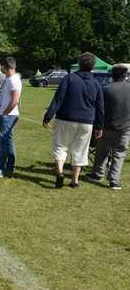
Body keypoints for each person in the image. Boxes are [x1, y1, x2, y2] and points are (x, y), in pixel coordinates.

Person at [43, 52, 104, 189]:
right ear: (93, 65)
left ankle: (59, 172)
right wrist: (99, 127)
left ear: (79, 64)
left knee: (60, 146)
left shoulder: (69, 78)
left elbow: (58, 98)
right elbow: (100, 107)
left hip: (65, 118)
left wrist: (48, 116)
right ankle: (75, 180)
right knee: (80, 150)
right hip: (87, 121)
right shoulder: (96, 83)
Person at [85, 65, 130, 190]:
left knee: (102, 151)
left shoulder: (106, 89)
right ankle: (115, 180)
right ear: (125, 76)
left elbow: (99, 108)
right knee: (119, 153)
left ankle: (98, 173)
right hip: (125, 127)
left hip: (108, 125)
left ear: (112, 76)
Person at [0, 57, 22, 178]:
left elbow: (15, 99)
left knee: (3, 142)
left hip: (9, 115)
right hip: (7, 114)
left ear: (5, 68)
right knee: (8, 140)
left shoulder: (12, 80)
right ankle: (11, 165)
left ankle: (1, 168)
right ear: (14, 66)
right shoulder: (10, 79)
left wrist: (5, 113)